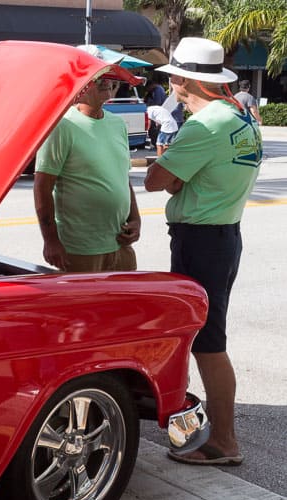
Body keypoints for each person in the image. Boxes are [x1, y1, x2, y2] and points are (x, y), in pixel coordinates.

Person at [144, 37, 262, 467]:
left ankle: (223, 442)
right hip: (225, 233)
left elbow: (156, 179)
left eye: (173, 77)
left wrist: (177, 176)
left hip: (202, 238)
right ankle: (209, 433)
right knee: (204, 337)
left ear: (180, 79)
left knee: (207, 343)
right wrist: (181, 177)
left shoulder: (204, 125)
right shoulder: (241, 117)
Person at [34, 74, 140, 272]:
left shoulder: (117, 124)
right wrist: (50, 240)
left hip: (121, 245)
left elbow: (122, 178)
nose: (106, 82)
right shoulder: (62, 126)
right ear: (78, 87)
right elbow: (42, 186)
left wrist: (135, 219)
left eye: (108, 77)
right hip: (80, 250)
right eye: (97, 78)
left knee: (124, 303)